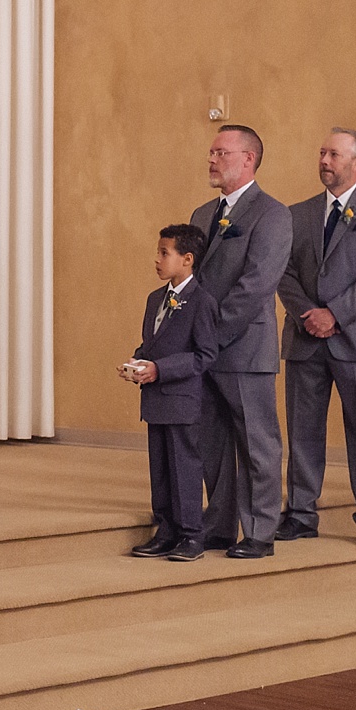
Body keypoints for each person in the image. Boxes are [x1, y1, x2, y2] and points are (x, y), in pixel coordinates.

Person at [276, 128, 356, 548]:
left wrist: (336, 314)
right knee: (302, 429)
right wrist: (306, 314)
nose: (324, 160)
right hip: (304, 336)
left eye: (333, 154)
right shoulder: (297, 214)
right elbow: (284, 272)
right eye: (321, 152)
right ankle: (300, 513)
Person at [188, 125, 293, 558]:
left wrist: (210, 335)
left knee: (256, 442)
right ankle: (218, 525)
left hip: (244, 348)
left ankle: (259, 531)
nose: (211, 159)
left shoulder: (271, 214)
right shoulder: (200, 215)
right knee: (211, 442)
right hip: (206, 349)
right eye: (211, 152)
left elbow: (255, 285)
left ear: (248, 159)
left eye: (221, 152)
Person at [123, 224, 222, 562]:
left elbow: (205, 354)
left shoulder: (202, 301)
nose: (157, 259)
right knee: (161, 469)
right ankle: (166, 529)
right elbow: (152, 344)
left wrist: (161, 370)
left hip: (183, 401)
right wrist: (138, 361)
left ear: (187, 259)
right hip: (156, 400)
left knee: (184, 468)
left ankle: (192, 534)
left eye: (165, 253)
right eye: (159, 252)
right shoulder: (155, 299)